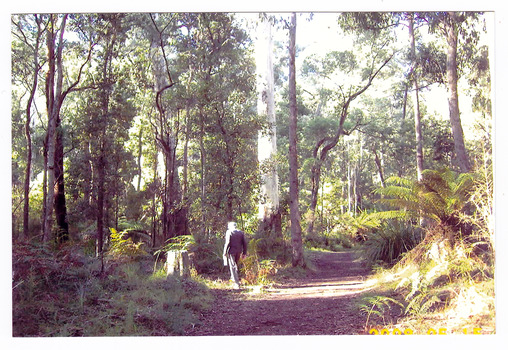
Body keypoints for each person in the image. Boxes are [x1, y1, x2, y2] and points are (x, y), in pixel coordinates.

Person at [223, 222, 247, 289]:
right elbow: (245, 243)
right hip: (238, 251)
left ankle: (236, 283)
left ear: (230, 226)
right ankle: (234, 279)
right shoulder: (240, 232)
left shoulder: (229, 232)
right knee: (235, 265)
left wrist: (224, 252)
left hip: (231, 251)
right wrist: (244, 253)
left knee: (233, 266)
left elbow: (227, 243)